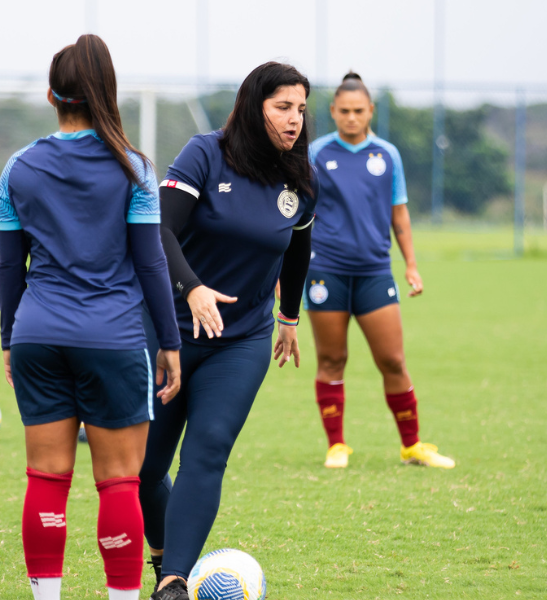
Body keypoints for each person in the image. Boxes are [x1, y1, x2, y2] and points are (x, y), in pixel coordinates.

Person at [0, 35, 181, 600]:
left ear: (53, 95)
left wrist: (9, 338)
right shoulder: (134, 168)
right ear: (107, 92)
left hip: (36, 335)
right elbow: (151, 264)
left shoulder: (17, 169)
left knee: (46, 479)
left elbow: (9, 267)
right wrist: (170, 342)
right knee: (120, 483)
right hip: (113, 339)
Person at [140, 61, 317, 600]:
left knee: (208, 449)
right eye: (282, 107)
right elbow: (159, 228)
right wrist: (192, 287)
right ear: (253, 105)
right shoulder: (204, 153)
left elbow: (298, 251)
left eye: (302, 109)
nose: (294, 120)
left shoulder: (301, 179)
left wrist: (288, 317)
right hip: (170, 330)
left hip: (241, 340)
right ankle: (163, 557)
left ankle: (173, 582)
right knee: (144, 468)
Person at [306, 72, 454, 470]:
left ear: (370, 111)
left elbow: (399, 212)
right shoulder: (316, 153)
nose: (351, 118)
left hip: (374, 272)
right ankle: (336, 445)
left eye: (359, 111)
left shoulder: (387, 154)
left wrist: (411, 265)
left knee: (392, 360)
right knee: (332, 359)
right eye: (344, 111)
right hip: (325, 271)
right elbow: (298, 212)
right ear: (333, 112)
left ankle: (412, 446)